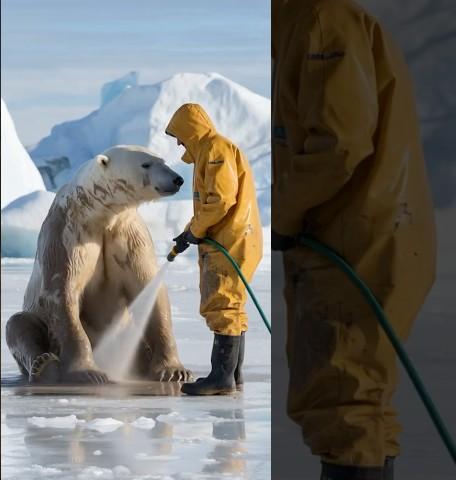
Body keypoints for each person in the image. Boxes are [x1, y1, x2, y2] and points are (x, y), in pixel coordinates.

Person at [272, 0, 436, 478]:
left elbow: (339, 143)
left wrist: (285, 214)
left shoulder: (322, 20)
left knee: (346, 404)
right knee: (358, 403)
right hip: (359, 236)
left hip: (355, 243)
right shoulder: (307, 19)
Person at [165, 103, 262, 396]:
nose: (179, 142)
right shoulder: (210, 150)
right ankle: (233, 375)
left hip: (229, 241)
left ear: (190, 129)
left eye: (179, 135)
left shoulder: (214, 149)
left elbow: (220, 200)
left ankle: (221, 378)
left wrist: (196, 230)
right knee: (232, 305)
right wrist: (189, 232)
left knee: (223, 304)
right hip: (233, 238)